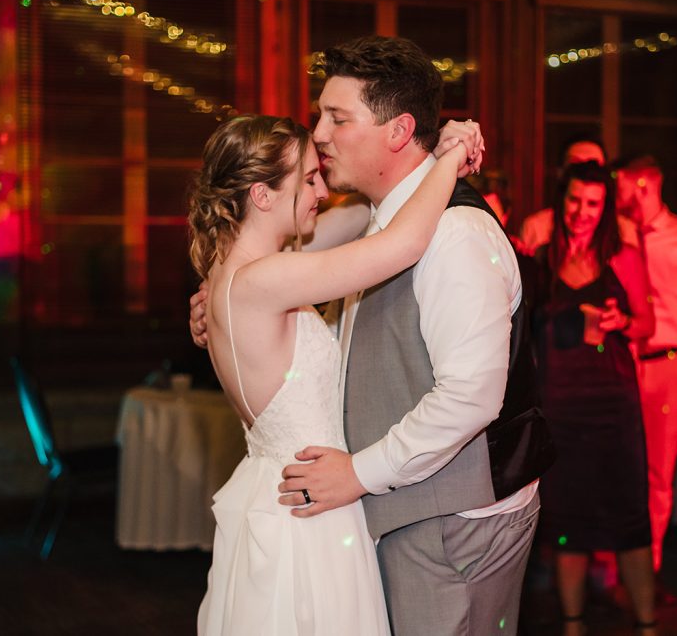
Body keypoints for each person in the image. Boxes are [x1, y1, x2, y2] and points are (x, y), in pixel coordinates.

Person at [191, 36, 549, 636]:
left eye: (337, 117)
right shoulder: (376, 223)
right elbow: (383, 236)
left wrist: (445, 152)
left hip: (445, 519)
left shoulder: (455, 234)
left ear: (397, 130)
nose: (320, 133)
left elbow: (471, 397)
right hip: (352, 510)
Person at [189, 113, 474, 634]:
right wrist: (452, 157)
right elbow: (401, 244)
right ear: (262, 195)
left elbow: (366, 213)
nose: (322, 190)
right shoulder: (267, 278)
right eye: (308, 180)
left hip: (285, 493)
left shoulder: (232, 271)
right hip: (310, 510)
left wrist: (413, 166)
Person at [533, 161, 657, 635]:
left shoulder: (623, 257)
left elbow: (649, 324)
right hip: (561, 404)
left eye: (593, 204)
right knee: (569, 522)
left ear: (604, 209)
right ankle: (572, 625)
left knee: (629, 516)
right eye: (574, 201)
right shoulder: (543, 259)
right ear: (561, 199)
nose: (582, 213)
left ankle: (647, 626)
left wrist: (621, 321)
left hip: (613, 405)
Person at [613, 154, 677, 579]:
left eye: (620, 188)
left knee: (659, 470)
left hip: (669, 362)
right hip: (621, 362)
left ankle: (649, 565)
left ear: (641, 186)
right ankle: (611, 563)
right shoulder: (618, 236)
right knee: (617, 464)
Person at [518, 134, 606, 255]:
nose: (585, 174)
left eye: (593, 166)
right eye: (575, 166)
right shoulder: (536, 228)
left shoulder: (625, 233)